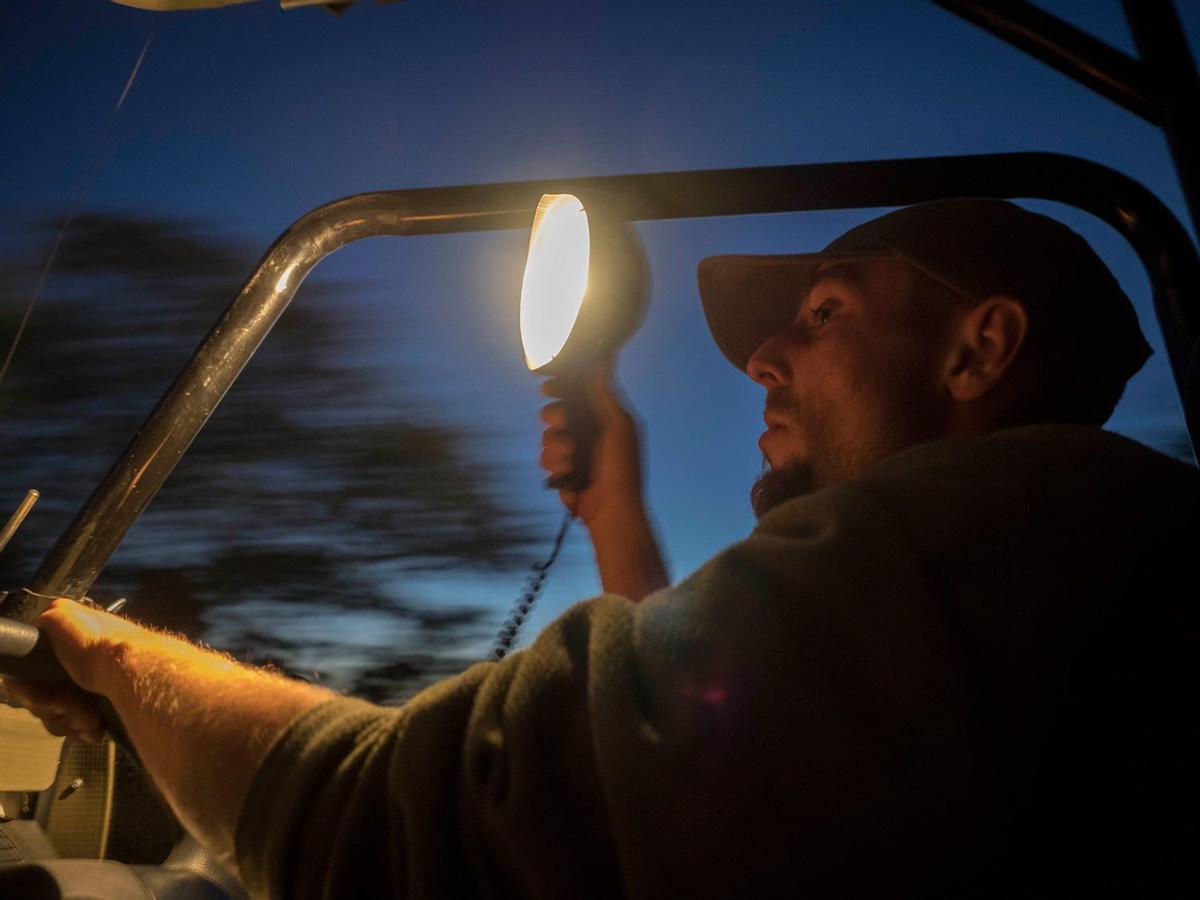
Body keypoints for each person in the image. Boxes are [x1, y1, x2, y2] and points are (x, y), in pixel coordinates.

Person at [2, 198, 1197, 898]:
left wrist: (107, 653)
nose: (764, 359)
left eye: (825, 315)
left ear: (980, 351)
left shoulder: (1007, 532)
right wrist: (618, 514)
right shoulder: (1000, 581)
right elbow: (694, 754)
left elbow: (395, 841)